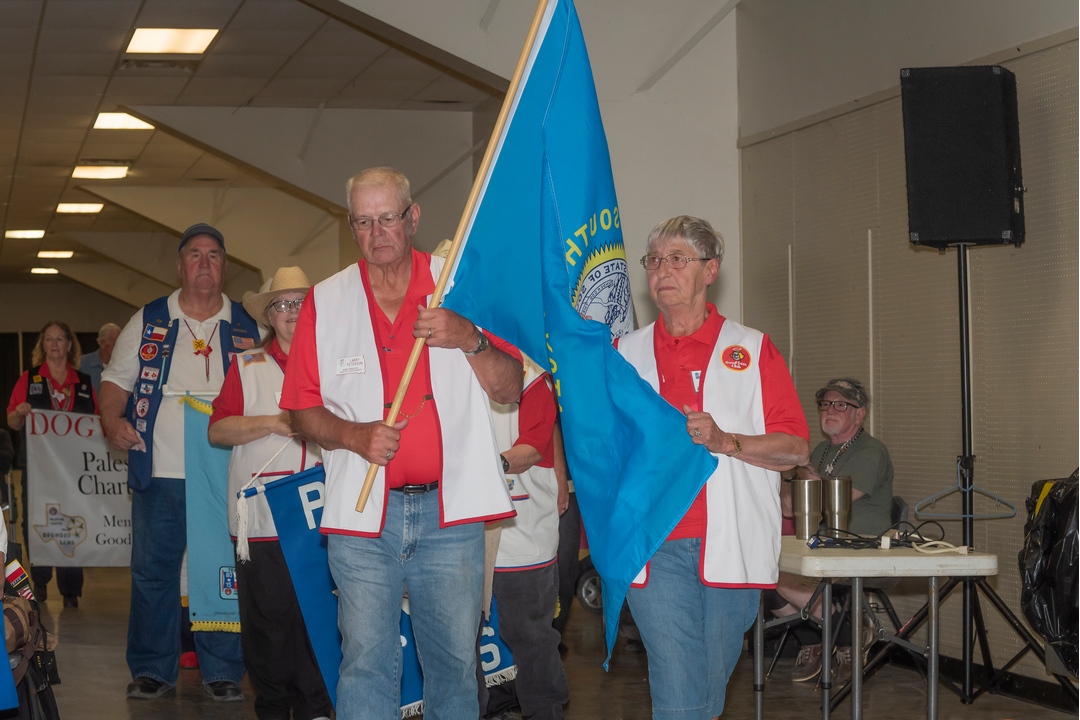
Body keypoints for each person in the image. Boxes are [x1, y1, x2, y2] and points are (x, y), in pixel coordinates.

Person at [280, 166, 522, 719]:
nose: (377, 232)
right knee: (364, 664)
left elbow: (510, 389)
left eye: (387, 217)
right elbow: (299, 409)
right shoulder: (326, 299)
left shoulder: (459, 284)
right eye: (363, 222)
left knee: (455, 668)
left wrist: (470, 338)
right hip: (362, 516)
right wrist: (352, 435)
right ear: (351, 227)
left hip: (450, 515)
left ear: (413, 218)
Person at [617, 216, 809, 720]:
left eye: (678, 259)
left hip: (732, 543)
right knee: (677, 686)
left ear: (710, 270)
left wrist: (727, 442)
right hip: (653, 543)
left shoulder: (753, 348)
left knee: (706, 689)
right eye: (654, 260)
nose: (662, 270)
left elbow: (796, 448)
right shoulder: (624, 354)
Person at [100, 223, 259, 702]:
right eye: (195, 254)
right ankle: (152, 668)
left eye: (214, 255)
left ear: (225, 266)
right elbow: (116, 381)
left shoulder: (247, 324)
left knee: (223, 569)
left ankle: (224, 668)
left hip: (227, 474)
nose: (204, 263)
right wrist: (111, 421)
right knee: (153, 572)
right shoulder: (150, 319)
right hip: (161, 471)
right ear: (179, 265)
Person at [208, 266, 332, 720]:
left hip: (323, 517)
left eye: (301, 302)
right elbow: (217, 430)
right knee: (269, 623)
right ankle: (274, 708)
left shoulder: (335, 361)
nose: (292, 311)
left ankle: (317, 706)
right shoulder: (246, 366)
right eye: (282, 304)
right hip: (263, 517)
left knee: (319, 616)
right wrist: (275, 423)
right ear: (269, 315)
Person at [773, 377, 895, 684]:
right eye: (825, 404)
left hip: (860, 548)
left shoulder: (871, 451)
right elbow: (789, 508)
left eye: (841, 405)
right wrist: (790, 473)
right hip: (823, 546)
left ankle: (839, 633)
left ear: (859, 413)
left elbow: (834, 499)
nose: (830, 410)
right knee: (757, 575)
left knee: (772, 574)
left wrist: (802, 473)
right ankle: (829, 634)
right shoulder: (822, 450)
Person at [483, 358, 569, 720]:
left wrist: (483, 466)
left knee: (531, 637)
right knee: (457, 645)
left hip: (521, 528)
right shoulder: (444, 361)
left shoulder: (529, 372)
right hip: (458, 528)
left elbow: (533, 446)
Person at [6, 321, 97, 607]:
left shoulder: (83, 382)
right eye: (49, 339)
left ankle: (71, 590)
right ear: (42, 345)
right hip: (37, 467)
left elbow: (97, 422)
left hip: (74, 469)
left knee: (73, 520)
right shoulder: (29, 379)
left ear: (69, 345)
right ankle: (40, 582)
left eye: (60, 339)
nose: (54, 344)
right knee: (37, 520)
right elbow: (12, 420)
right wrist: (20, 413)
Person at [80, 323, 122, 395]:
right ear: (102, 343)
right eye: (115, 344)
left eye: (121, 344)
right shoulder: (82, 364)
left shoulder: (124, 366)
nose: (119, 348)